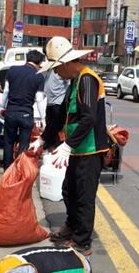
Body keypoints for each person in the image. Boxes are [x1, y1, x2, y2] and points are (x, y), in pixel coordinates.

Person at [29, 37, 109, 257]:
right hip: (77, 149)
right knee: (69, 190)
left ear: (65, 64)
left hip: (90, 150)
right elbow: (61, 116)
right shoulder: (74, 82)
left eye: (56, 69)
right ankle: (71, 227)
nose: (55, 74)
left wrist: (67, 145)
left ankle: (82, 241)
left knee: (84, 196)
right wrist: (44, 139)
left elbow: (89, 118)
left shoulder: (87, 80)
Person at [0, 50, 46, 170]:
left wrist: (1, 107)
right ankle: (18, 173)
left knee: (8, 143)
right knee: (23, 146)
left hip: (11, 113)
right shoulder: (39, 76)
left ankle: (7, 172)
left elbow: (6, 92)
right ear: (39, 63)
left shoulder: (12, 70)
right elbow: (39, 99)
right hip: (26, 114)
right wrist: (44, 118)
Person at [42, 68, 69, 150]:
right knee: (49, 126)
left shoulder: (62, 70)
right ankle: (50, 147)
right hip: (50, 103)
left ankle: (57, 148)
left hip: (59, 103)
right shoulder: (48, 70)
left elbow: (68, 84)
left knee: (57, 127)